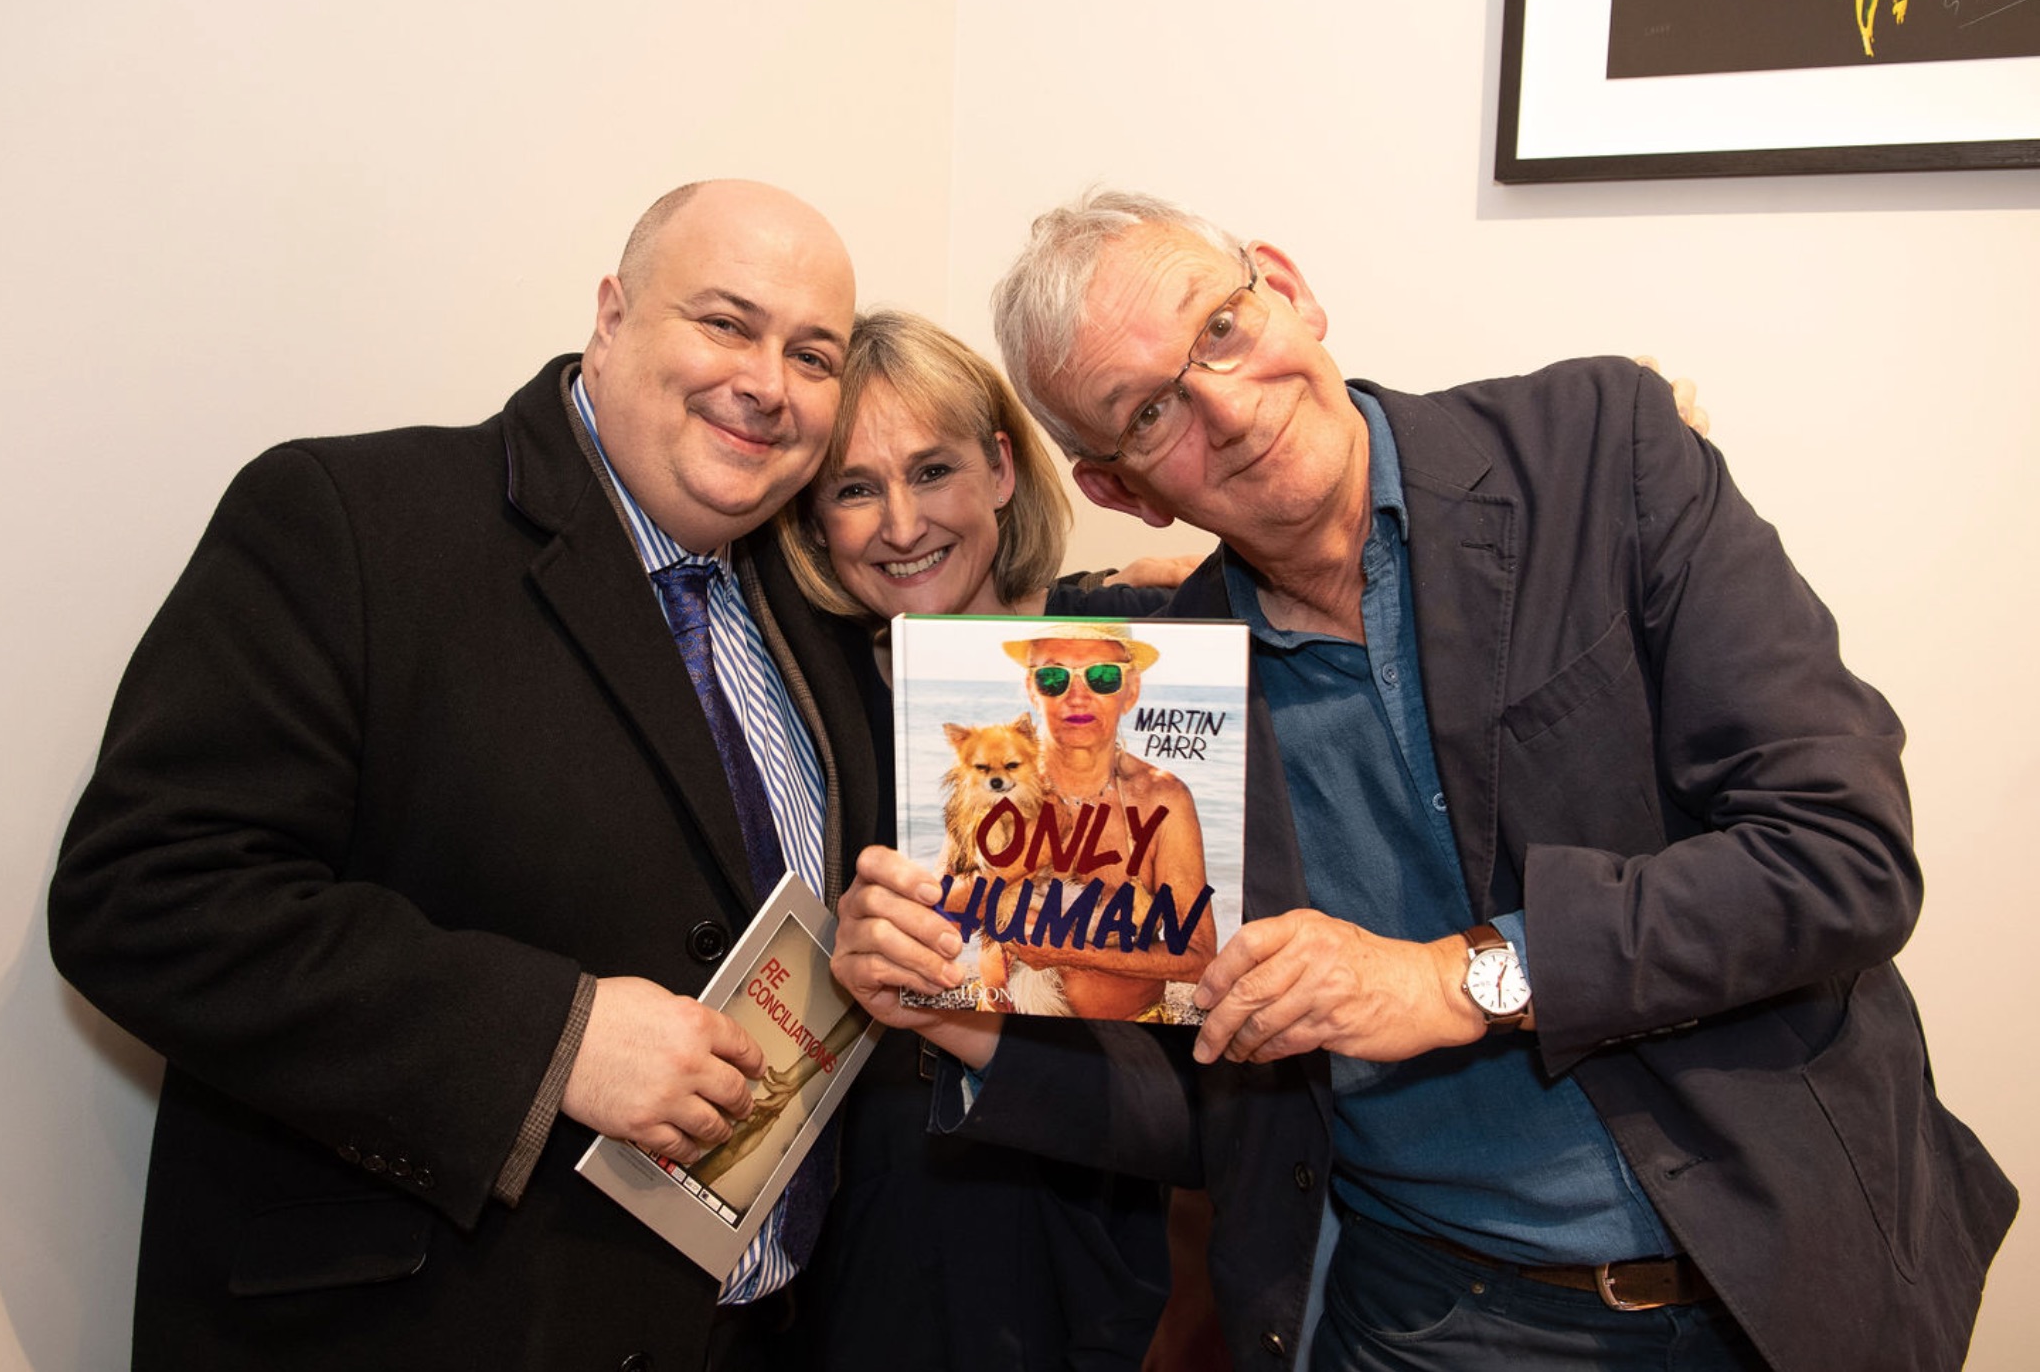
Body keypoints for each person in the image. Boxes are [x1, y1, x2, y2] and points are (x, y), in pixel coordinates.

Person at [830, 190, 2016, 1372]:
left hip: (1778, 1274)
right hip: (1431, 1315)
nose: (1227, 409)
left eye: (1221, 330)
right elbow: (1214, 1101)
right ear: (1121, 487)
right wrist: (963, 1008)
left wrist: (1457, 975)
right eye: (1150, 412)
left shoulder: (1601, 448)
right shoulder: (1161, 686)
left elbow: (1839, 853)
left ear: (1286, 289)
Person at [47, 180, 880, 1371]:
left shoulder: (811, 607)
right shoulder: (354, 523)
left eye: (814, 352)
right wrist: (555, 1037)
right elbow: (143, 897)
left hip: (754, 1333)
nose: (768, 381)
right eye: (725, 323)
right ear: (611, 313)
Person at [773, 308, 1192, 1370]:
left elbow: (1184, 1080)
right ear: (813, 517)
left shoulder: (1134, 665)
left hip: (1076, 1249)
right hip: (850, 1264)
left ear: (1002, 468)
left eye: (934, 469)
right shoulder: (796, 703)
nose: (900, 523)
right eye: (853, 488)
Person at [983, 621, 1214, 1021]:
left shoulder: (1162, 798)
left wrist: (1074, 953)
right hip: (992, 1035)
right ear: (1031, 688)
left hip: (1128, 1049)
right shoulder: (996, 781)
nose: (1077, 696)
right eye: (1053, 677)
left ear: (1131, 691)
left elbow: (1198, 956)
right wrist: (1022, 862)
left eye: (1103, 677)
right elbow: (941, 905)